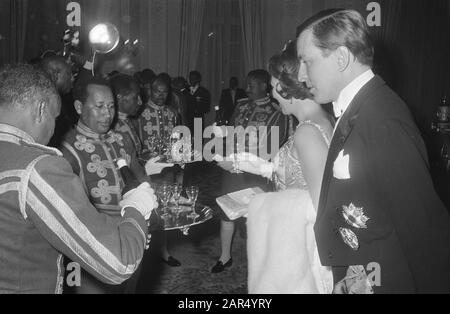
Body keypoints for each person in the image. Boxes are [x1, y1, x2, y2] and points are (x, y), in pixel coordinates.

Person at [296, 9, 450, 293]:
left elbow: (424, 235)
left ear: (341, 58)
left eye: (307, 61)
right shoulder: (359, 107)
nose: (300, 74)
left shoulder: (382, 119)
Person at [0, 64, 157, 293]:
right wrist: (136, 210)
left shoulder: (121, 138)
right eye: (54, 118)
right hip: (95, 247)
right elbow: (115, 260)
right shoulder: (50, 158)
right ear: (41, 109)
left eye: (111, 106)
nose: (53, 130)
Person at [235, 41, 334, 293]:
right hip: (297, 239)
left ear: (285, 86)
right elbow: (299, 172)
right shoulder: (318, 119)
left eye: (272, 87)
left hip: (303, 249)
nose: (272, 94)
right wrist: (255, 166)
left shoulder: (307, 132)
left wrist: (257, 205)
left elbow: (321, 207)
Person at [213, 69, 289, 273]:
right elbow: (230, 131)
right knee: (226, 211)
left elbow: (270, 150)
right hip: (231, 169)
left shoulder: (276, 113)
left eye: (251, 86)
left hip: (255, 174)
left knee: (255, 217)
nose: (246, 89)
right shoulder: (241, 106)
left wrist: (242, 161)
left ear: (265, 86)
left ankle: (260, 261)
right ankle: (225, 256)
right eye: (247, 85)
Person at [39, 55, 77, 148]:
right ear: (55, 75)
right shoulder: (43, 104)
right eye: (68, 74)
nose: (72, 78)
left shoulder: (62, 99)